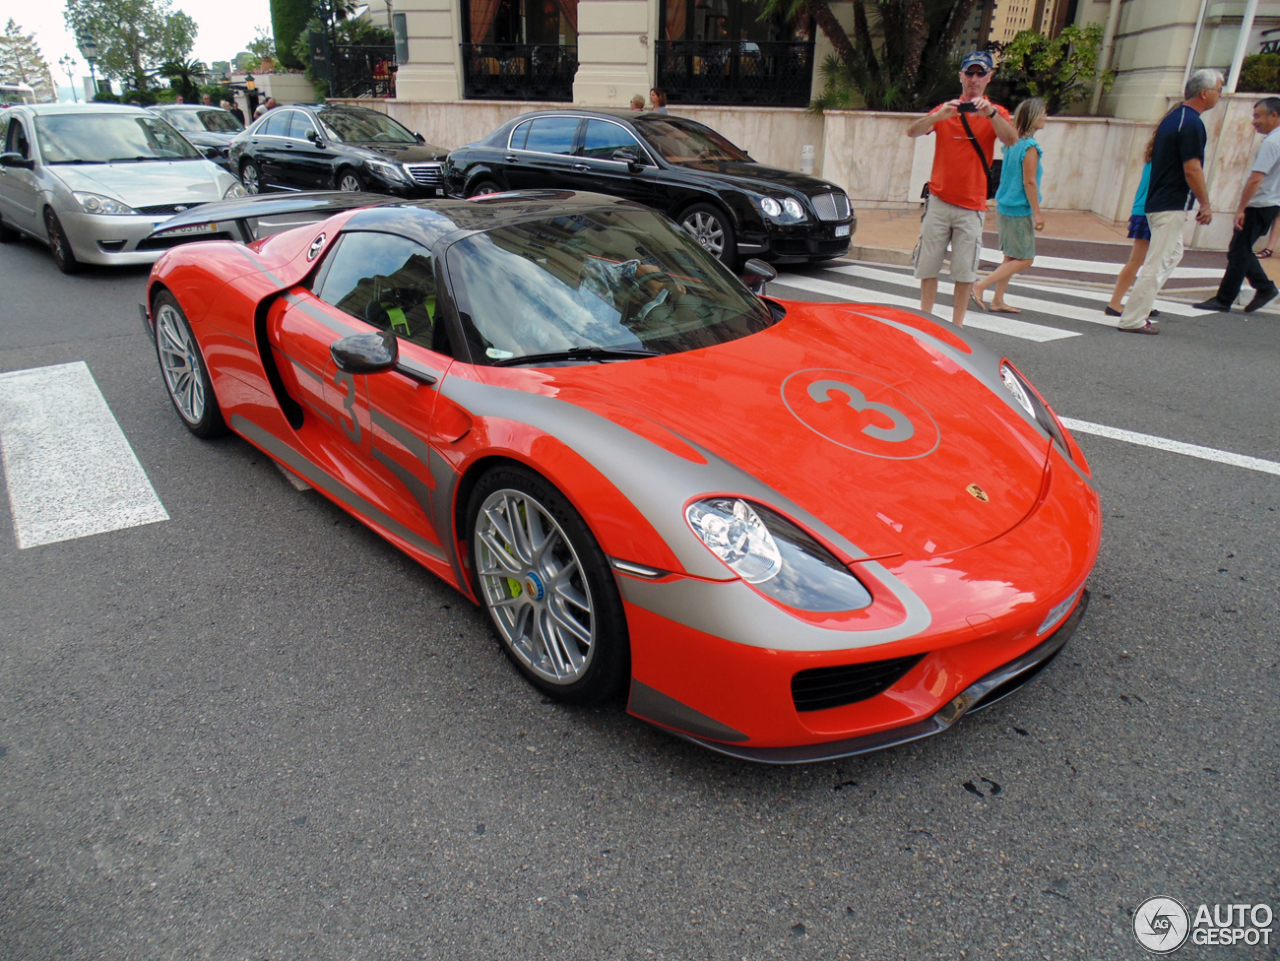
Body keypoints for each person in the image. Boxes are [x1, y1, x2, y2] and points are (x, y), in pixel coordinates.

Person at [905, 49, 1018, 327]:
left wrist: (990, 113)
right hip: (940, 200)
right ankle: (927, 320)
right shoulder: (947, 109)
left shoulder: (996, 113)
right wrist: (937, 117)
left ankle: (957, 326)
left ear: (989, 77)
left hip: (971, 205)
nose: (974, 78)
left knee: (965, 271)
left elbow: (1011, 139)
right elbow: (912, 131)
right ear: (961, 76)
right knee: (929, 265)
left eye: (981, 73)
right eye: (970, 72)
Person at [1118, 68, 1222, 335]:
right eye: (1218, 90)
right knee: (1157, 261)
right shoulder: (1192, 124)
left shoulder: (1174, 118)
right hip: (1170, 202)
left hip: (1161, 201)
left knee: (1172, 255)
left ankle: (1141, 304)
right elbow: (1192, 168)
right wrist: (1205, 204)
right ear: (1204, 92)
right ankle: (1133, 317)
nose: (1219, 95)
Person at [1192, 96, 1280, 313]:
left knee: (1239, 251)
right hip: (1271, 203)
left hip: (1260, 203)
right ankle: (1264, 287)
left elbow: (1256, 178)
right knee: (1239, 249)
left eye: (1258, 116)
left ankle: (1225, 299)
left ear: (1274, 115)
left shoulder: (1272, 142)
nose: (1254, 121)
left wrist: (1241, 208)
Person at [972, 98, 1047, 313]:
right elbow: (1029, 182)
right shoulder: (1030, 146)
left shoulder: (1011, 143)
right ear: (1033, 116)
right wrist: (1037, 214)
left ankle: (998, 300)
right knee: (1025, 259)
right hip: (1018, 209)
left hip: (1004, 206)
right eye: (1043, 113)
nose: (1045, 117)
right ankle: (980, 285)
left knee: (1011, 257)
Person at [1105, 133, 1165, 317]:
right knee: (1140, 260)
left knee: (1144, 260)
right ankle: (1116, 302)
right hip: (1149, 211)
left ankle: (1136, 300)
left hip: (1144, 210)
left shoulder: (1154, 156)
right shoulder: (1162, 158)